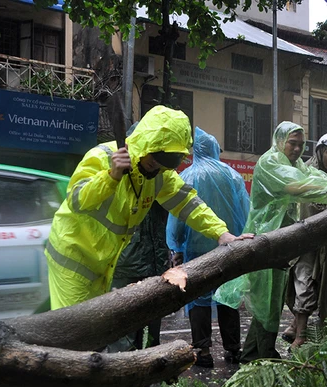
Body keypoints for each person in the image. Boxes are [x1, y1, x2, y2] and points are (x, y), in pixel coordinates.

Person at [46, 105, 252, 313]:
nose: (156, 167)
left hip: (105, 262)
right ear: (145, 145)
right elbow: (76, 201)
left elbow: (189, 204)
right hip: (73, 257)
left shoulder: (161, 175)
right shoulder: (103, 156)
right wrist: (111, 177)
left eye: (164, 164)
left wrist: (221, 233)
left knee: (94, 325)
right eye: (154, 160)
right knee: (74, 326)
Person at [215, 122, 327, 363]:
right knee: (266, 301)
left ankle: (253, 354)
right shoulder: (270, 162)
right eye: (292, 143)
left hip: (283, 243)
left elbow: (310, 175)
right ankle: (265, 356)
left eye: (301, 144)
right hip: (265, 239)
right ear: (280, 141)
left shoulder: (297, 164)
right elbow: (293, 184)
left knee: (271, 301)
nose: (297, 148)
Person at [166, 127, 250, 367]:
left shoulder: (187, 176)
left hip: (195, 251)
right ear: (214, 149)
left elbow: (178, 216)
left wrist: (176, 247)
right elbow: (244, 211)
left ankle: (202, 351)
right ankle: (233, 349)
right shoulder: (232, 175)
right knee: (227, 299)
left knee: (198, 301)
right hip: (227, 248)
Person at [282, 132, 327, 349]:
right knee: (303, 281)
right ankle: (301, 335)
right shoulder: (308, 170)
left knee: (326, 286)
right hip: (308, 237)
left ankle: (307, 328)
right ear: (320, 151)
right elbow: (311, 198)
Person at [109, 122, 169, 351]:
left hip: (155, 263)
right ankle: (121, 379)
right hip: (127, 264)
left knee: (152, 332)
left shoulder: (161, 176)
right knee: (124, 331)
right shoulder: (121, 173)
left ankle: (150, 377)